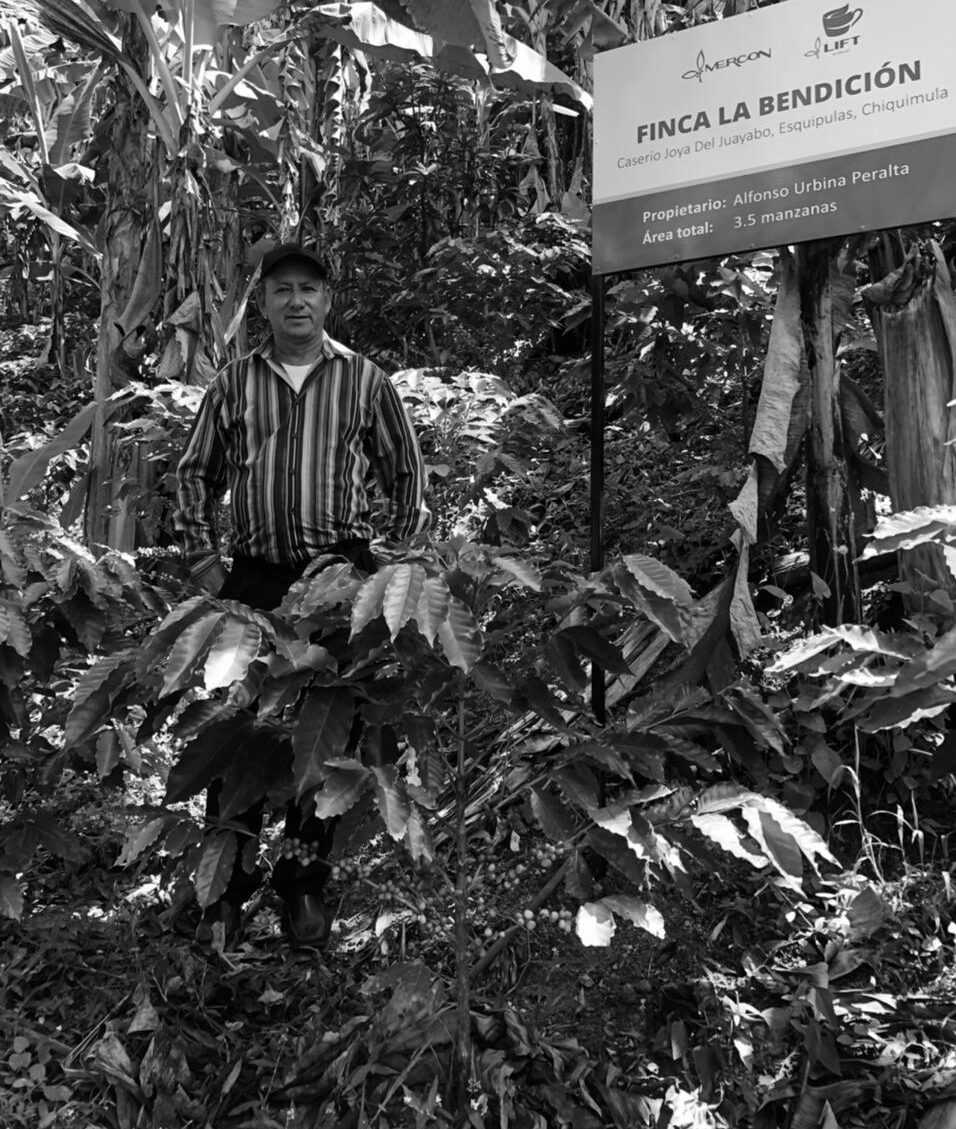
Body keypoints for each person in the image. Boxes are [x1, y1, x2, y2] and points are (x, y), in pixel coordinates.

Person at [174, 242, 429, 946]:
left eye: (309, 288)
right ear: (262, 302)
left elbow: (407, 474)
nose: (296, 301)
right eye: (282, 288)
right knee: (237, 723)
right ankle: (226, 887)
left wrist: (391, 566)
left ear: (327, 300)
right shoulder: (234, 383)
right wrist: (204, 562)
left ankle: (302, 885)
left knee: (329, 731)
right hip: (254, 578)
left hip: (339, 577)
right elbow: (194, 472)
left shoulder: (365, 381)